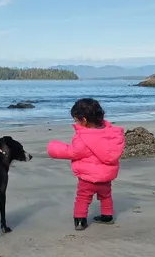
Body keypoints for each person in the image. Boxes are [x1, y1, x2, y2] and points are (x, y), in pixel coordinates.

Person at [47, 98, 126, 230]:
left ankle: (80, 221)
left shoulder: (84, 137)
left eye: (76, 120)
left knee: (83, 198)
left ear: (83, 120)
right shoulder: (113, 134)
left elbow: (73, 152)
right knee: (106, 195)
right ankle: (107, 216)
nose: (76, 123)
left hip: (88, 178)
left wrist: (54, 148)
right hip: (106, 176)